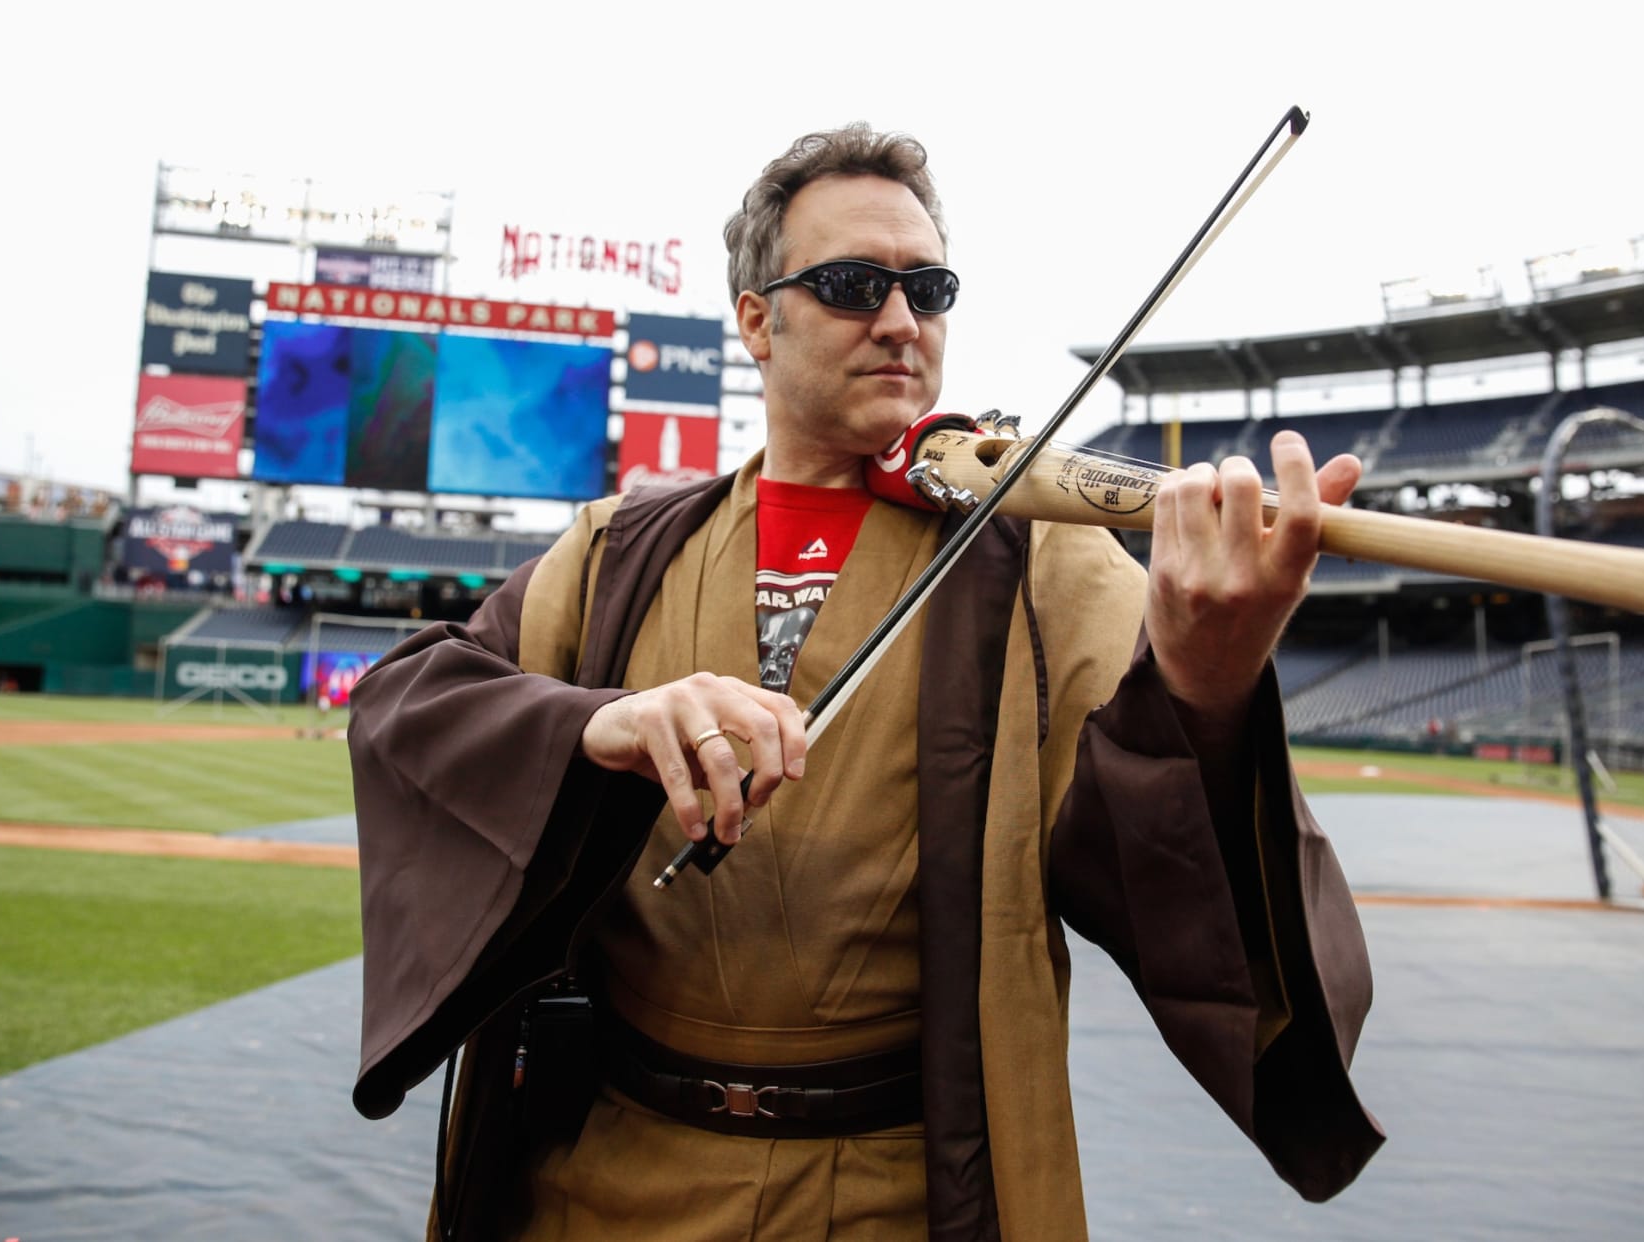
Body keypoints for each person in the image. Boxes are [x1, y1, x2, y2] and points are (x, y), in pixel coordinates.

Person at [348, 123, 1383, 1241]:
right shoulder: (613, 549)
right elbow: (411, 709)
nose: (901, 322)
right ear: (756, 317)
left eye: (928, 289)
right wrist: (600, 724)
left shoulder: (1042, 557)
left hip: (903, 1192)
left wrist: (1207, 687)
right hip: (603, 1181)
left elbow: (1159, 859)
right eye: (852, 286)